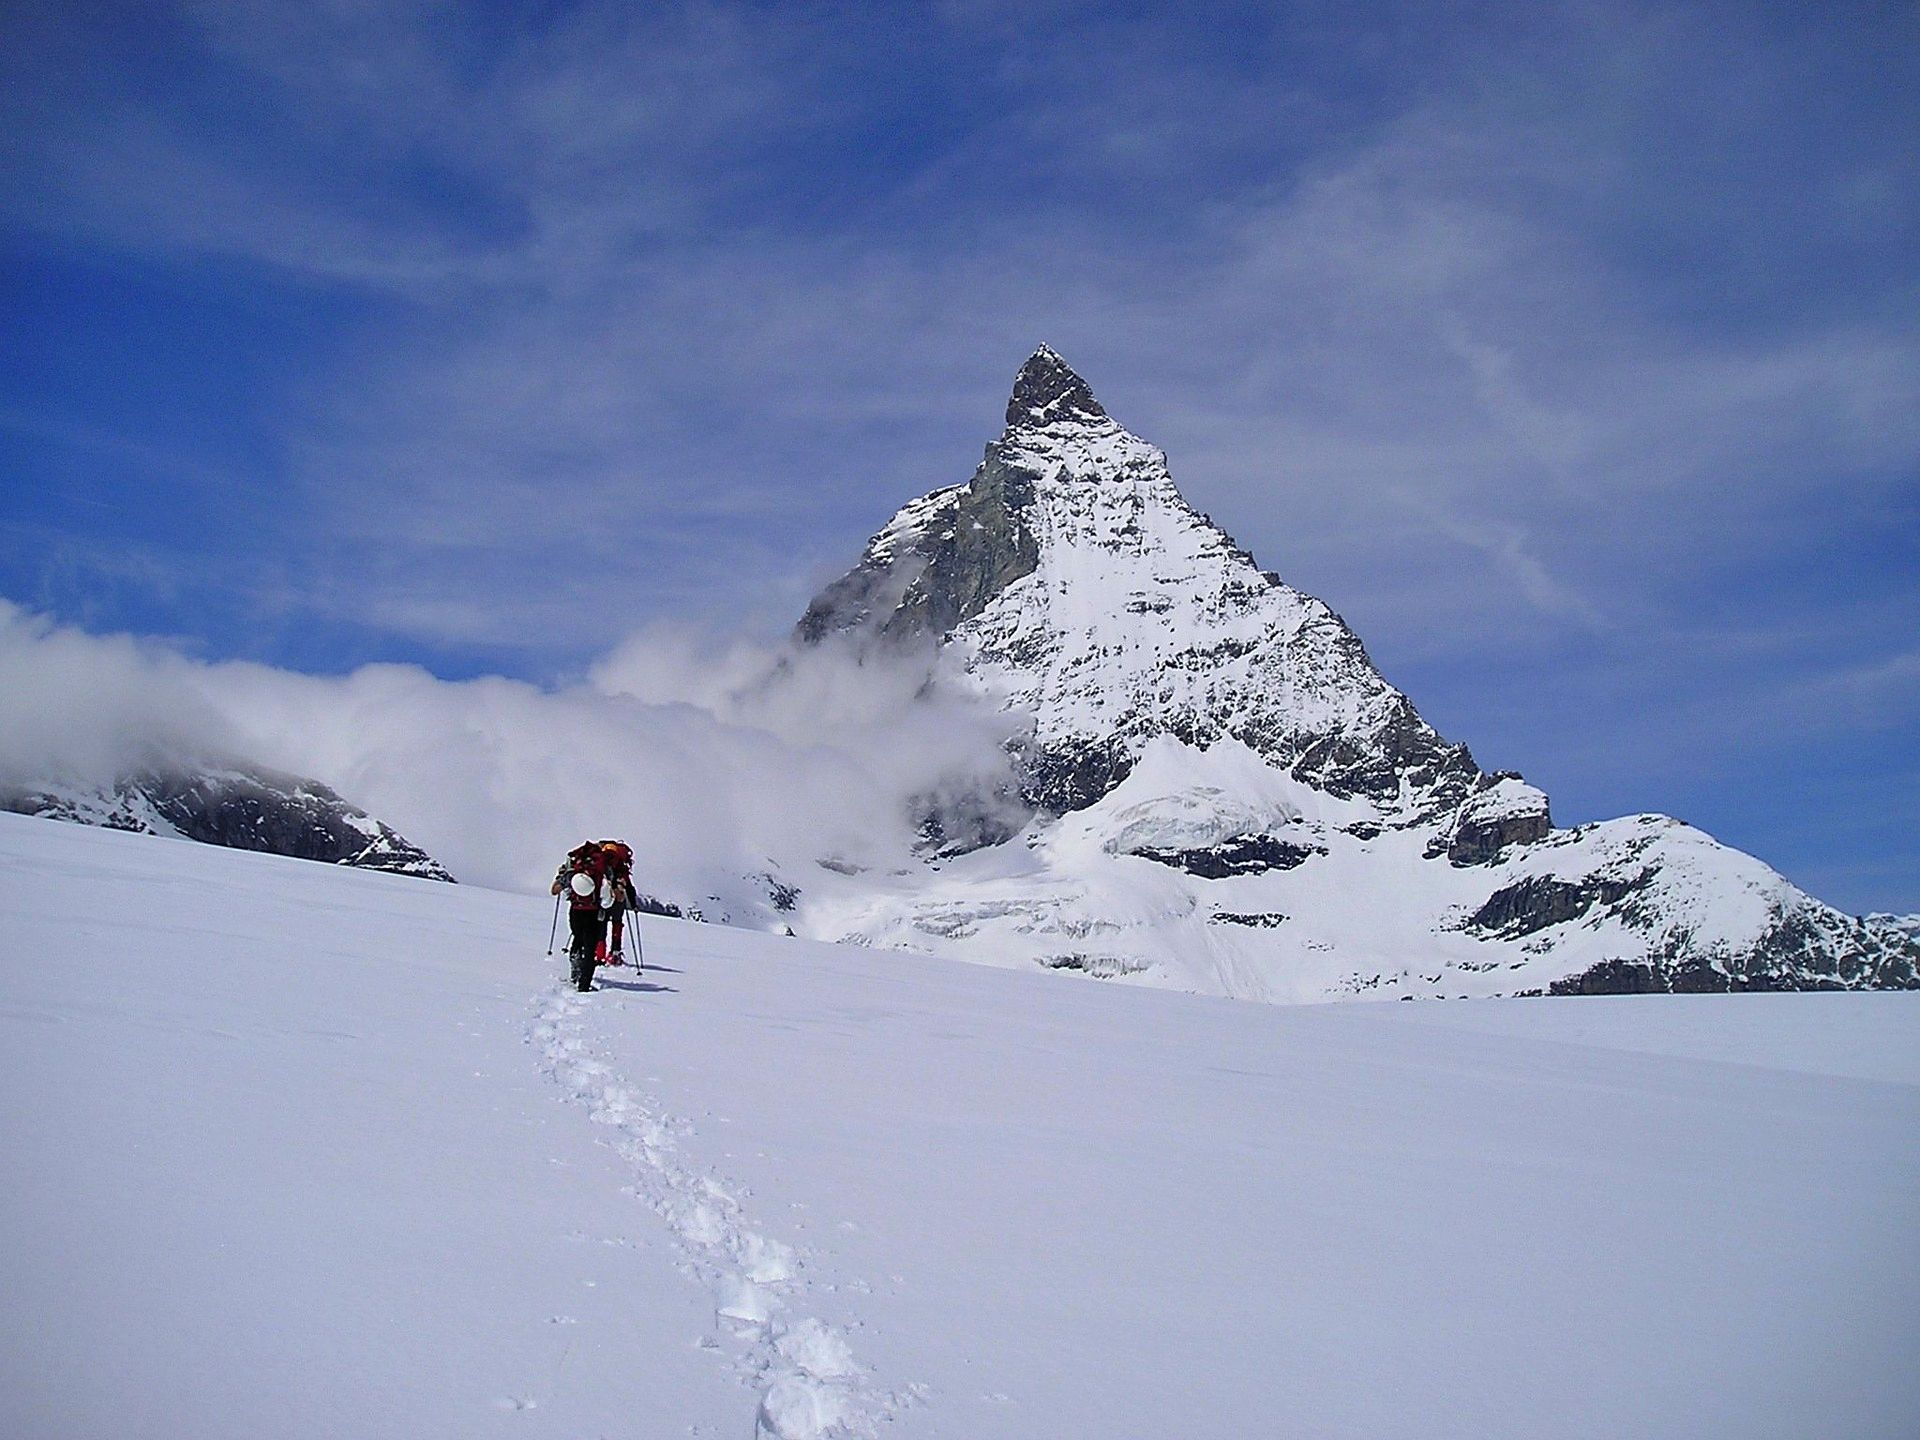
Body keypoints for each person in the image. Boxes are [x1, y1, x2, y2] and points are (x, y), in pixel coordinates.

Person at [550, 839, 636, 991]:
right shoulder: (605, 867)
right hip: (595, 913)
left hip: (576, 909)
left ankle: (575, 971)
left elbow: (555, 889)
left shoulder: (577, 865)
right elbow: (617, 895)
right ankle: (584, 986)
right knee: (590, 949)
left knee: (577, 938)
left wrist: (562, 880)